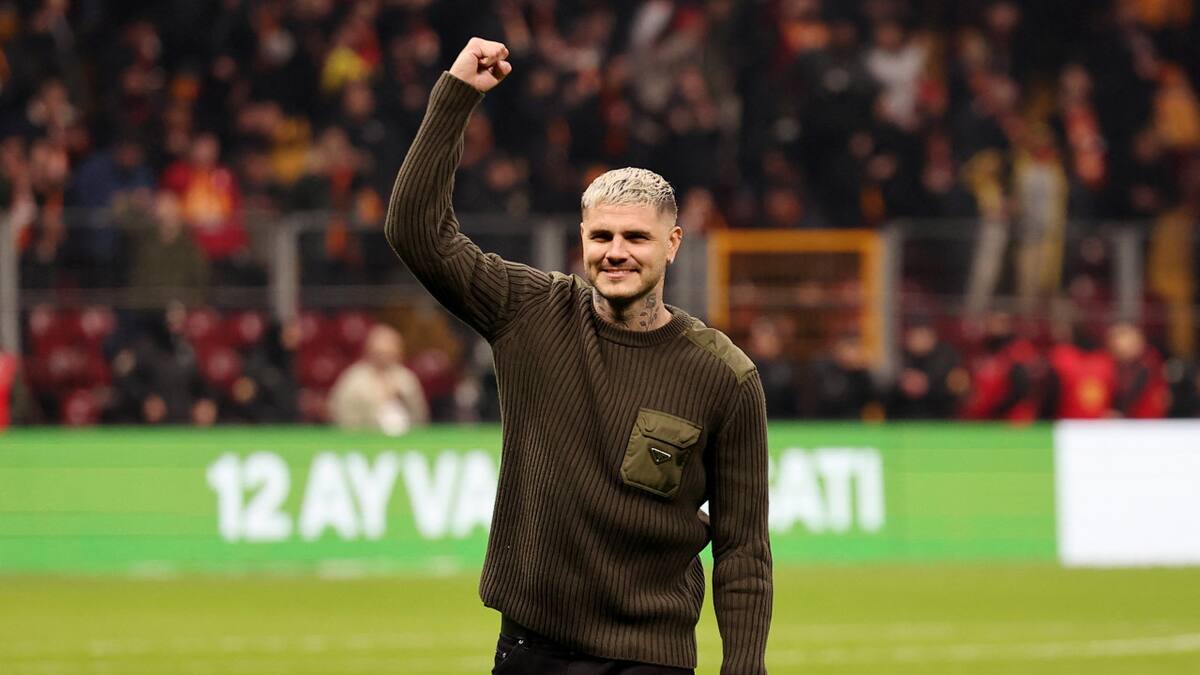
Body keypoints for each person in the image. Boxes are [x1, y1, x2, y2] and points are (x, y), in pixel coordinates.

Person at [385, 38, 771, 675]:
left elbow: (744, 550)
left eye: (636, 237)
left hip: (652, 659)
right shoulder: (527, 310)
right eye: (602, 235)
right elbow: (416, 231)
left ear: (673, 243)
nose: (616, 251)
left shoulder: (724, 375)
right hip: (532, 652)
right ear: (582, 239)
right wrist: (455, 96)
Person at [327, 324, 428, 435]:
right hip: (362, 440)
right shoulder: (353, 379)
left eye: (389, 353)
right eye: (380, 353)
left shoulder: (406, 378)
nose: (384, 357)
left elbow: (419, 415)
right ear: (369, 351)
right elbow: (341, 416)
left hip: (405, 440)